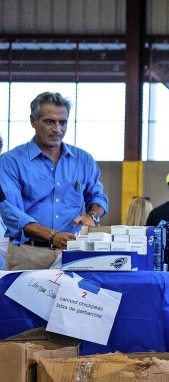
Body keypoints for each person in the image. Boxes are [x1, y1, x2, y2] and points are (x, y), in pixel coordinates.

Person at [0, 92, 108, 270]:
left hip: (74, 253)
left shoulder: (84, 160)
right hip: (29, 254)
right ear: (33, 120)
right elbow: (11, 213)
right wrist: (52, 236)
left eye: (62, 122)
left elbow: (98, 196)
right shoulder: (11, 162)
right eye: (49, 122)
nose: (57, 129)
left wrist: (92, 216)